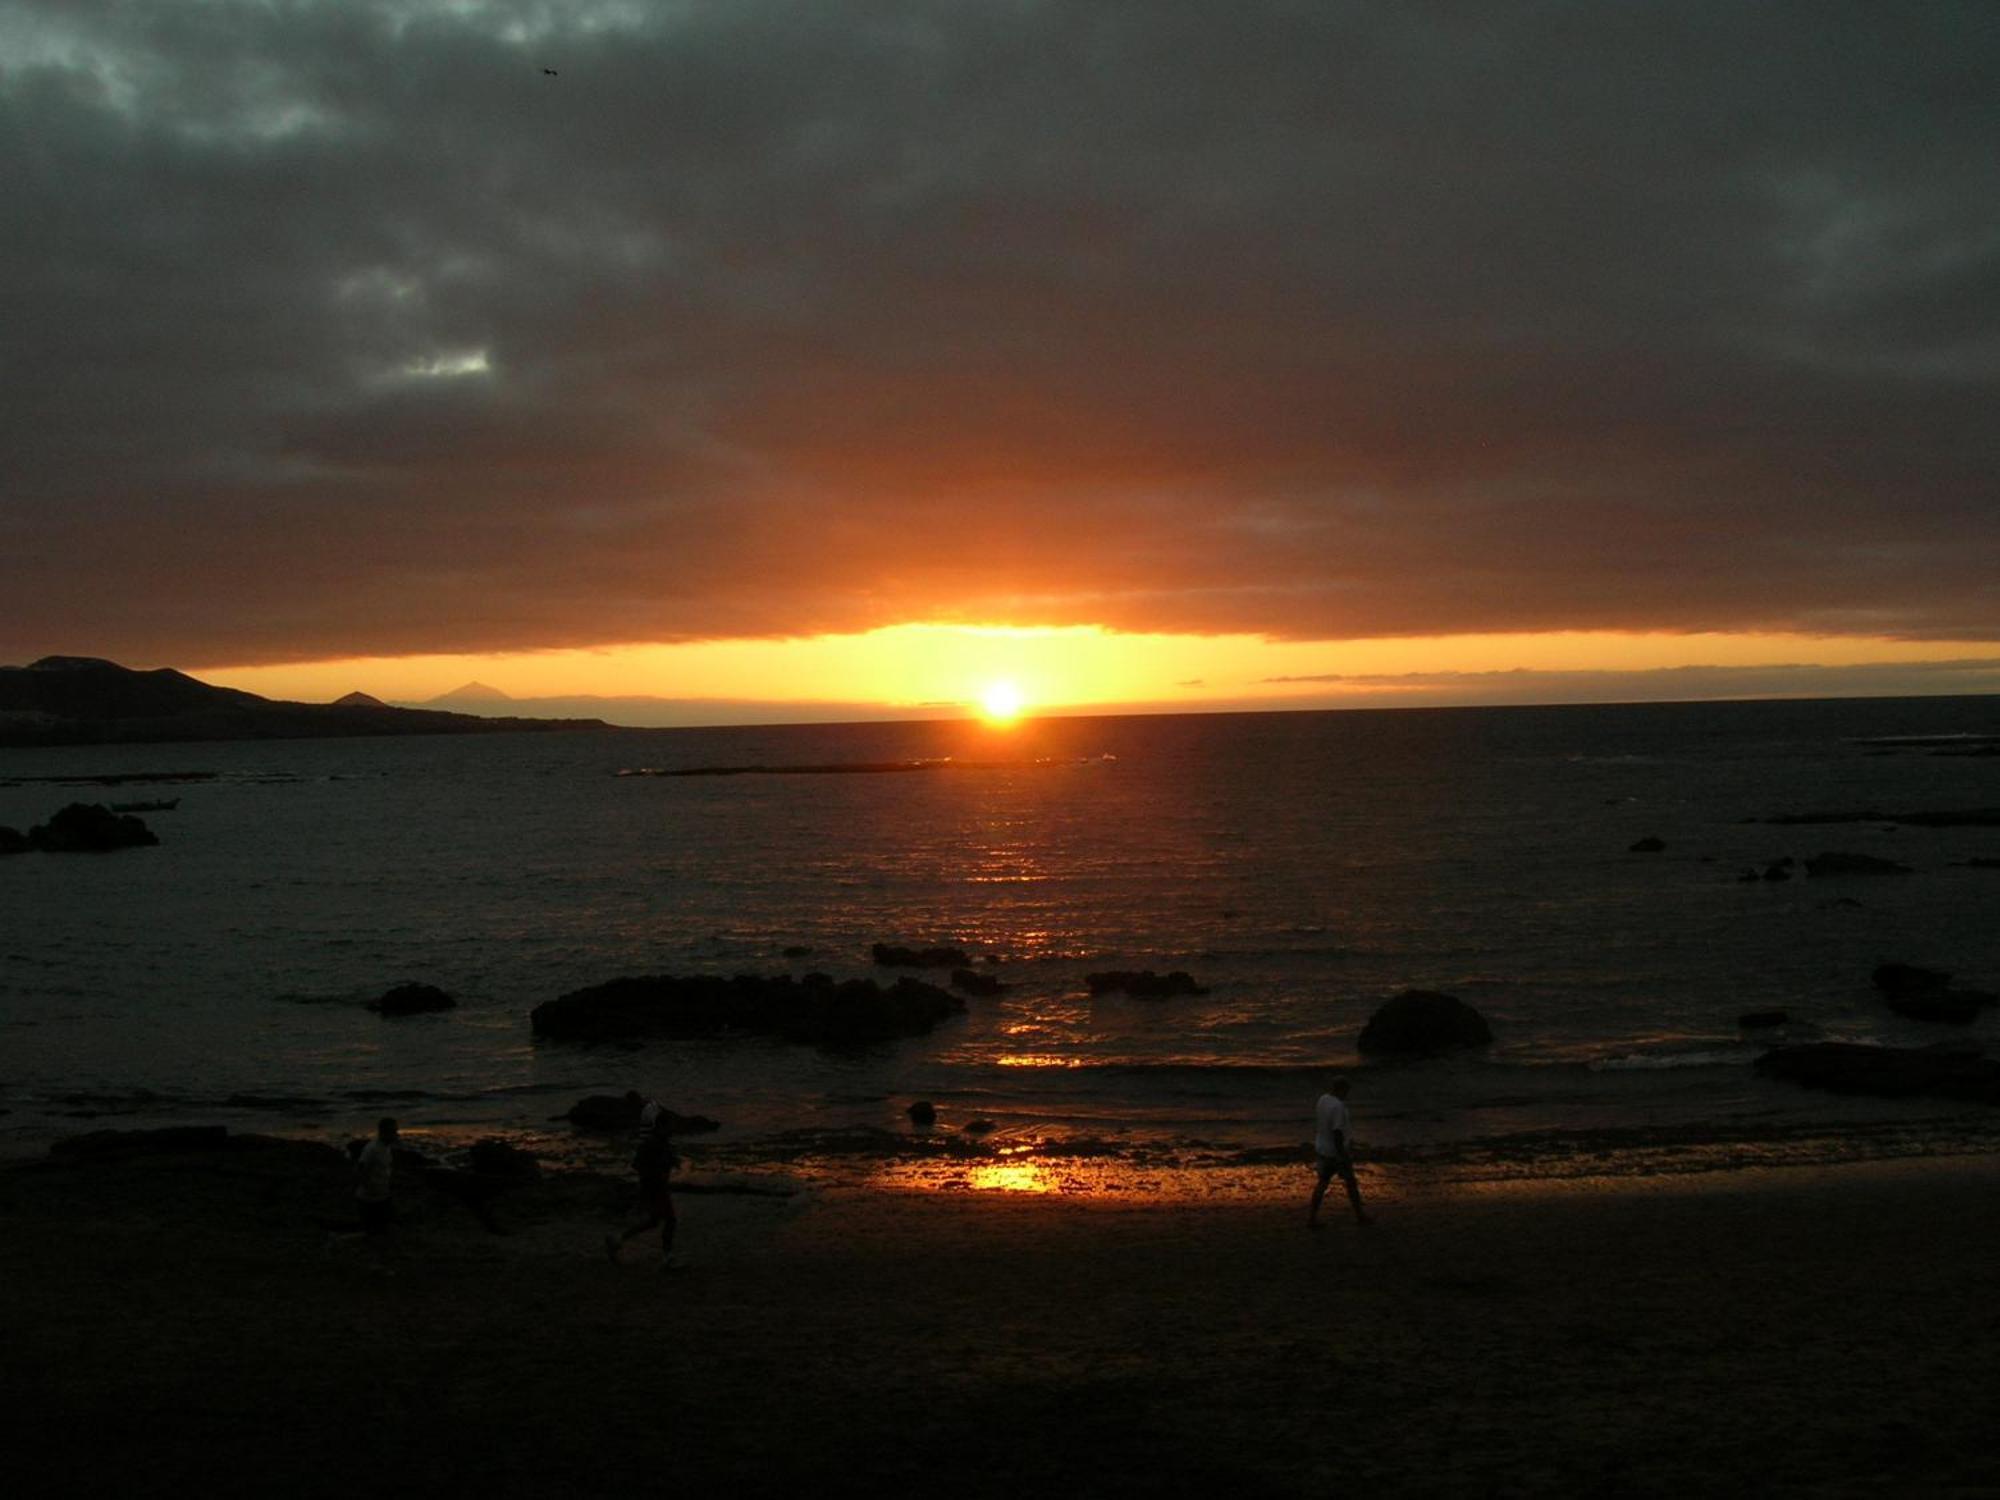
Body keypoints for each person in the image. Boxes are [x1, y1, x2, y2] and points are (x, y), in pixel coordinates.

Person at [605, 1114, 680, 1269]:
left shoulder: (662, 1143)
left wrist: (672, 1162)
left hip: (656, 1186)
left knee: (653, 1221)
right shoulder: (651, 1143)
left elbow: (666, 1160)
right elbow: (638, 1164)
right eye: (669, 1126)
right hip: (654, 1186)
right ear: (660, 1127)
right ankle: (667, 1256)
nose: (672, 1129)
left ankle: (618, 1238)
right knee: (670, 1220)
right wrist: (654, 1174)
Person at [1307, 1077, 1371, 1228]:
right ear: (1341, 1090)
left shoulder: (1323, 1099)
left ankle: (1312, 1218)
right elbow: (1337, 1133)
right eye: (1346, 1091)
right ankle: (1360, 1216)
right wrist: (1343, 1155)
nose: (1347, 1095)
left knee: (1322, 1183)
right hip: (1335, 1153)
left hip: (1322, 1148)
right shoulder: (1338, 1107)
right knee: (1351, 1183)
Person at [354, 1116, 401, 1268]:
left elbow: (384, 1171)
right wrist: (370, 1187)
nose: (397, 1134)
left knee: (387, 1230)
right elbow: (361, 1170)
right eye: (394, 1131)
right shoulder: (372, 1149)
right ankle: (377, 1262)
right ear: (384, 1132)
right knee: (375, 1234)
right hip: (369, 1199)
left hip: (383, 1196)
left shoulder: (386, 1148)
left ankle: (383, 1260)